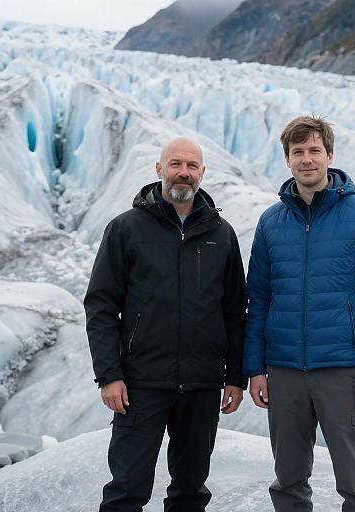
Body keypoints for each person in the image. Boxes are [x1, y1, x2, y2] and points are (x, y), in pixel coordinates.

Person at [243, 116, 355, 512]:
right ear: (287, 159)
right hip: (284, 372)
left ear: (329, 155)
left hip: (344, 372)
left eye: (315, 151)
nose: (307, 160)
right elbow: (258, 300)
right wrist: (255, 368)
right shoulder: (271, 222)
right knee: (289, 484)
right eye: (299, 152)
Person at [84, 137, 247, 512]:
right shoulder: (126, 229)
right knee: (127, 490)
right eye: (175, 164)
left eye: (192, 166)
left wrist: (235, 377)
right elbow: (101, 305)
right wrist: (109, 375)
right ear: (159, 169)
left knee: (191, 492)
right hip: (141, 384)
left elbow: (236, 310)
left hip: (202, 385)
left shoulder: (221, 234)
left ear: (203, 174)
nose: (184, 173)